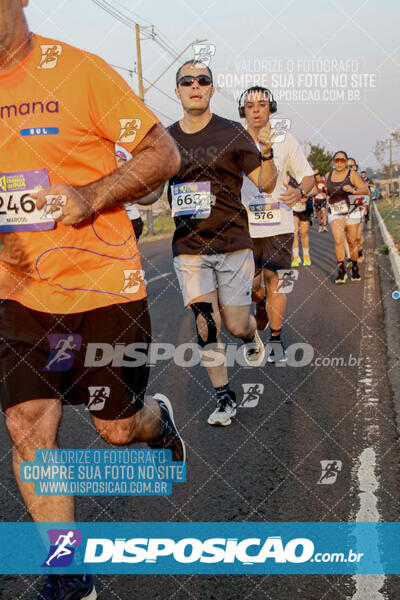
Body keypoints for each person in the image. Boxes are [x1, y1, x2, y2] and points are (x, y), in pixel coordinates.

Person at [0, 3, 184, 599]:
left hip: (104, 286)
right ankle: (68, 572)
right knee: (28, 427)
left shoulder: (78, 71)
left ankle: (156, 420)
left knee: (115, 428)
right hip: (19, 293)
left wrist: (90, 194)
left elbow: (163, 155)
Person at [167, 62, 278, 426]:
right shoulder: (165, 139)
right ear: (178, 90)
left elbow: (265, 182)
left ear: (212, 89)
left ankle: (251, 336)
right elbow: (152, 193)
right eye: (187, 81)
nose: (195, 85)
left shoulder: (232, 133)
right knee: (205, 324)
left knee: (235, 324)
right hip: (190, 247)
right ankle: (225, 398)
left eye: (203, 81)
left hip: (232, 243)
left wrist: (268, 152)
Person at [240, 86, 314, 359]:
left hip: (279, 224)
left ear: (271, 108)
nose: (256, 109)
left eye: (261, 104)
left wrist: (301, 192)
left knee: (276, 282)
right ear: (243, 111)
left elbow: (308, 177)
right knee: (252, 286)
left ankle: (275, 338)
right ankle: (260, 304)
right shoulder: (235, 140)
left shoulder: (286, 140)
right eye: (250, 105)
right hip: (245, 226)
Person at [326, 151, 369, 284]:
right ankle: (341, 271)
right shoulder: (328, 175)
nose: (339, 163)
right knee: (339, 241)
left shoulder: (352, 174)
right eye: (336, 160)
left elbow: (365, 190)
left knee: (352, 242)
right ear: (333, 161)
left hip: (352, 209)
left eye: (342, 160)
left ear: (345, 162)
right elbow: (325, 192)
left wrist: (353, 190)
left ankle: (355, 267)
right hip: (335, 211)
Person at [116, 149, 145, 240]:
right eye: (115, 161)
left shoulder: (129, 180)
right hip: (119, 222)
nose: (118, 164)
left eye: (121, 161)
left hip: (132, 220)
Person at [290, 175, 314, 267]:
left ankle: (306, 255)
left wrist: (305, 194)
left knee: (303, 232)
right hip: (293, 208)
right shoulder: (289, 178)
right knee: (294, 231)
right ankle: (295, 257)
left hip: (305, 208)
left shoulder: (306, 176)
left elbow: (314, 191)